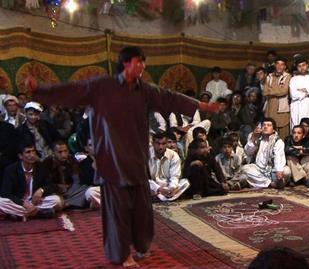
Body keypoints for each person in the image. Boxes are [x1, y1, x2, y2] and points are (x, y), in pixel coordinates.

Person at [26, 46, 219, 267]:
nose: (143, 66)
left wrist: (200, 105)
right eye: (139, 61)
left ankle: (141, 245)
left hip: (137, 159)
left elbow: (170, 98)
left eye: (144, 62)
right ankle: (121, 253)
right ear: (126, 63)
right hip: (112, 160)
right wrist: (39, 91)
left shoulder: (144, 90)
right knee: (118, 211)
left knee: (142, 210)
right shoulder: (102, 87)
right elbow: (71, 91)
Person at [0, 142, 63, 220]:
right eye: (28, 152)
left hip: (35, 202)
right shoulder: (11, 170)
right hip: (19, 202)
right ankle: (39, 213)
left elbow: (52, 186)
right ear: (20, 156)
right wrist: (23, 203)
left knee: (57, 200)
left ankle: (20, 215)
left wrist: (41, 190)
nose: (32, 155)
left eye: (33, 151)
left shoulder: (40, 167)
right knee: (1, 202)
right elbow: (6, 193)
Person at [41, 140, 101, 209]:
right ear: (53, 153)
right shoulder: (46, 163)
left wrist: (69, 189)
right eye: (60, 152)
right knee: (55, 200)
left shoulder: (72, 160)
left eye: (65, 151)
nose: (63, 155)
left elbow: (77, 180)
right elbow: (45, 184)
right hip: (55, 193)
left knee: (89, 190)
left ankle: (69, 203)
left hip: (71, 192)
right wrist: (57, 187)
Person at [241, 118, 291, 189]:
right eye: (264, 125)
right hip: (258, 169)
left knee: (286, 171)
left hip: (272, 169)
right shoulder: (256, 138)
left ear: (273, 129)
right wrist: (253, 138)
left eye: (269, 125)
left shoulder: (278, 141)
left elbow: (278, 157)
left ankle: (260, 182)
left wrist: (279, 171)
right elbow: (248, 152)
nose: (265, 127)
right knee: (245, 169)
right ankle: (271, 184)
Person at [148, 132, 189, 202]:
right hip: (153, 186)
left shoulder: (173, 155)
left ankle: (164, 196)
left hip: (167, 186)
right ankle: (166, 197)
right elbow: (144, 178)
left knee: (185, 183)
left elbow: (175, 176)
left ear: (166, 143)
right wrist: (158, 189)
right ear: (153, 143)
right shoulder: (146, 155)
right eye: (158, 143)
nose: (160, 147)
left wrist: (172, 188)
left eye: (163, 144)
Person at [289, 55, 309, 136]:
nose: (302, 68)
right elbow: (294, 95)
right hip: (297, 106)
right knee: (297, 125)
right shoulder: (293, 79)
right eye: (299, 66)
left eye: (303, 65)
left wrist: (305, 91)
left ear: (307, 65)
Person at [263, 57, 292, 139]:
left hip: (282, 111)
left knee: (283, 137)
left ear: (285, 67)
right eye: (278, 64)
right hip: (269, 109)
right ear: (275, 65)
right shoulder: (269, 76)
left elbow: (284, 91)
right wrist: (277, 91)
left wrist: (271, 91)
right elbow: (265, 92)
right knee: (269, 135)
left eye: (282, 65)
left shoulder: (288, 77)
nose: (279, 66)